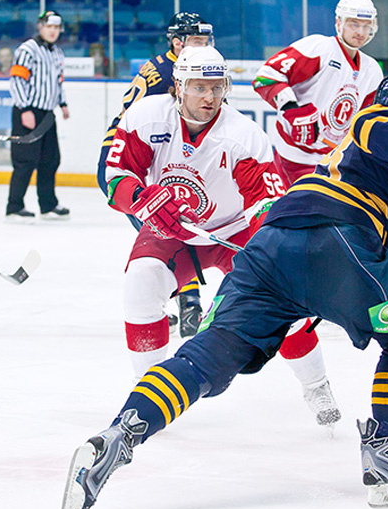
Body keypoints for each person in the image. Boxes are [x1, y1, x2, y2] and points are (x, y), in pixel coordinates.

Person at [61, 76, 388, 509]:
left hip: (271, 247)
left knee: (208, 357)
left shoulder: (384, 178)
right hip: (338, 239)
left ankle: (119, 435)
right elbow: (376, 125)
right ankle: (385, 454)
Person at [102, 45, 285, 385]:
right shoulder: (147, 116)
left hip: (234, 231)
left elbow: (265, 202)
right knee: (140, 282)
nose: (210, 96)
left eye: (217, 88)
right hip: (171, 228)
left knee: (283, 300)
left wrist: (270, 251)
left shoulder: (244, 135)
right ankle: (148, 390)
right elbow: (116, 176)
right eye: (200, 87)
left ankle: (317, 385)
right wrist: (142, 200)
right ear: (179, 86)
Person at [252, 0, 383, 427]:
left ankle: (322, 304)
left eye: (367, 25)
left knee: (330, 237)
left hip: (330, 165)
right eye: (354, 24)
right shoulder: (317, 48)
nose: (360, 32)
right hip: (289, 161)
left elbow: (364, 121)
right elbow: (265, 76)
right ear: (339, 21)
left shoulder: (373, 70)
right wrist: (294, 106)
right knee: (288, 240)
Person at [97, 11, 214, 339]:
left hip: (134, 155)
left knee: (168, 227)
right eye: (198, 41)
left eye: (207, 40)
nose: (205, 46)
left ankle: (174, 299)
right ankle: (187, 303)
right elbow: (149, 132)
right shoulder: (168, 74)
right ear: (178, 43)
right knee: (168, 228)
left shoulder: (175, 67)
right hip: (126, 161)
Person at [6, 10, 71, 222]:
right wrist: (24, 109)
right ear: (40, 27)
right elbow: (17, 80)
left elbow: (57, 81)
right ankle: (14, 207)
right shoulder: (27, 49)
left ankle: (48, 205)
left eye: (56, 27)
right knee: (25, 160)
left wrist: (62, 103)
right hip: (28, 111)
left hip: (47, 113)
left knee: (50, 160)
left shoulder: (57, 53)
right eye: (49, 27)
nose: (53, 31)